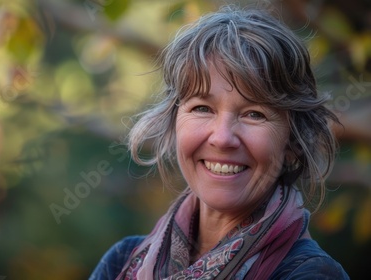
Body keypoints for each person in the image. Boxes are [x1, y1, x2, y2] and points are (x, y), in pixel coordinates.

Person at [90, 5, 350, 280]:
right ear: (174, 121)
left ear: (293, 141)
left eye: (254, 114)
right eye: (202, 108)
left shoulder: (310, 274)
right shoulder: (122, 260)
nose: (222, 138)